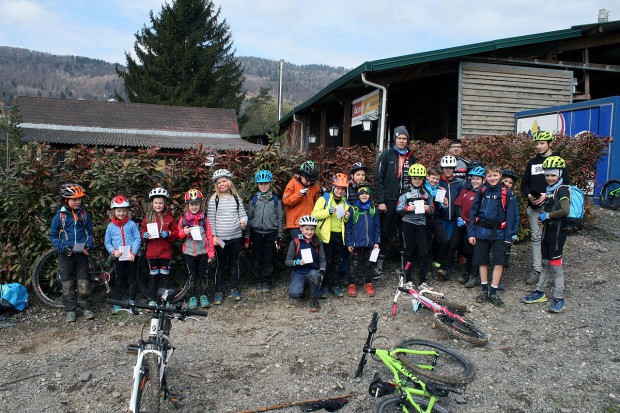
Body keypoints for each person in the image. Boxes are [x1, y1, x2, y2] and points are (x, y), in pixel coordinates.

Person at [521, 131, 570, 285]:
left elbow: (566, 185)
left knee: (552, 240)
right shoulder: (533, 162)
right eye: (536, 143)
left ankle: (552, 274)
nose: (538, 146)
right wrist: (529, 195)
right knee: (536, 239)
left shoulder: (558, 161)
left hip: (553, 210)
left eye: (542, 143)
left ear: (549, 143)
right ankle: (537, 270)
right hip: (535, 208)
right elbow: (524, 183)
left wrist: (546, 195)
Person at [521, 156, 570, 313]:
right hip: (548, 231)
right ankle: (539, 292)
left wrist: (546, 216)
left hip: (557, 233)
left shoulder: (562, 189)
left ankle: (559, 298)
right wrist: (545, 218)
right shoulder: (551, 190)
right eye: (547, 175)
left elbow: (565, 210)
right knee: (544, 263)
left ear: (560, 175)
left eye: (553, 175)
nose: (549, 178)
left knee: (556, 266)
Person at [468, 164, 519, 308]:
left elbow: (512, 216)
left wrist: (510, 236)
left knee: (499, 262)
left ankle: (493, 292)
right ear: (485, 178)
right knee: (482, 261)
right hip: (482, 232)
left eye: (495, 175)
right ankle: (484, 290)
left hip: (500, 234)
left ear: (500, 176)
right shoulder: (482, 191)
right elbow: (473, 213)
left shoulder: (506, 193)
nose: (492, 178)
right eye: (489, 176)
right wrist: (471, 233)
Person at [374, 125, 417, 276]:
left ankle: (405, 267)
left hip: (406, 199)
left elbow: (417, 179)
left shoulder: (411, 156)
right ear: (395, 139)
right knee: (385, 233)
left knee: (405, 232)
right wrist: (381, 200)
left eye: (404, 138)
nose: (402, 141)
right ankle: (378, 265)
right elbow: (378, 179)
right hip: (389, 200)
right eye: (399, 138)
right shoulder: (386, 155)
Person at [49, 183, 95, 322]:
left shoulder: (84, 215)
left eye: (79, 199)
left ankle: (86, 307)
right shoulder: (60, 217)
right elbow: (53, 235)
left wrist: (88, 245)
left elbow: (90, 234)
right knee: (67, 284)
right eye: (74, 199)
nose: (77, 202)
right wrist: (62, 247)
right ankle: (70, 309)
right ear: (66, 201)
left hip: (81, 255)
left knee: (84, 284)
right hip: (66, 255)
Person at [207, 169, 248, 305]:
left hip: (236, 237)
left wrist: (244, 221)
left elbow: (243, 214)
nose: (221, 184)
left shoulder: (236, 198)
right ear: (216, 185)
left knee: (234, 263)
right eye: (219, 183)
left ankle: (234, 288)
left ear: (229, 182)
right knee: (220, 264)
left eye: (224, 181)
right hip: (221, 239)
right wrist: (213, 236)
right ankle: (218, 291)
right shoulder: (214, 199)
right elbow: (211, 220)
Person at [312, 173, 351, 298]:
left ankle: (334, 284)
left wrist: (346, 218)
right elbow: (314, 215)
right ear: (333, 187)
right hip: (325, 236)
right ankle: (323, 286)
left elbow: (343, 221)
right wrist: (327, 212)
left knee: (337, 262)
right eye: (338, 188)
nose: (340, 191)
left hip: (339, 236)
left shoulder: (346, 203)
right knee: (326, 262)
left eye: (342, 189)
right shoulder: (324, 199)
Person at [445, 166, 485, 287]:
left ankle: (470, 274)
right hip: (461, 223)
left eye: (477, 179)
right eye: (473, 179)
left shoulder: (484, 193)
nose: (475, 181)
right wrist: (459, 217)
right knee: (453, 244)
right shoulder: (466, 190)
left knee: (470, 251)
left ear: (483, 180)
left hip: (472, 226)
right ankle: (447, 269)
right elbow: (458, 204)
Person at [245, 170, 283, 293]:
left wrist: (279, 236)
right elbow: (249, 218)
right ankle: (258, 280)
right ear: (257, 185)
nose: (263, 186)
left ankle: (266, 281)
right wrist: (247, 235)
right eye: (261, 184)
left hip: (270, 234)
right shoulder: (254, 200)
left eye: (266, 183)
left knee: (268, 258)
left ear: (270, 184)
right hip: (256, 233)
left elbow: (279, 219)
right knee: (257, 258)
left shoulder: (276, 201)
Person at [396, 164, 434, 287]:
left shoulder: (427, 193)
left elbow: (432, 210)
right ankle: (408, 279)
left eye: (419, 178)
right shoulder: (405, 193)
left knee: (424, 252)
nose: (417, 180)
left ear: (423, 179)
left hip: (421, 225)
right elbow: (398, 209)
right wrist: (407, 208)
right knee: (408, 252)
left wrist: (429, 209)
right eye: (414, 178)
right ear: (410, 179)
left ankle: (422, 280)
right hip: (407, 224)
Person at [178, 189, 215, 309]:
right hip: (189, 252)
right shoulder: (183, 219)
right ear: (187, 205)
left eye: (196, 204)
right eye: (191, 204)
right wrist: (184, 231)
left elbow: (209, 236)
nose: (194, 207)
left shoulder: (204, 219)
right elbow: (179, 234)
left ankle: (203, 295)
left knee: (203, 274)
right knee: (192, 275)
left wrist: (210, 252)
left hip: (202, 252)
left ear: (200, 204)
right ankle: (192, 297)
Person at [141, 187, 178, 306]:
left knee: (165, 277)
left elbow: (176, 234)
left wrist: (169, 234)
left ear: (165, 203)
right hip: (151, 254)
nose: (158, 205)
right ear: (152, 203)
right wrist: (144, 235)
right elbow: (142, 233)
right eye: (156, 203)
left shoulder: (169, 218)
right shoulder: (147, 218)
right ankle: (152, 299)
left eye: (160, 203)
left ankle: (165, 299)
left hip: (165, 254)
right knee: (153, 277)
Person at [105, 195, 141, 314]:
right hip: (119, 257)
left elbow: (137, 238)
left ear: (127, 211)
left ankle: (132, 302)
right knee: (119, 279)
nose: (121, 213)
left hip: (131, 257)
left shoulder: (131, 224)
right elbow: (107, 241)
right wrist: (113, 251)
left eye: (124, 211)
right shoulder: (110, 226)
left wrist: (134, 252)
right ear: (113, 212)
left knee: (132, 279)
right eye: (119, 211)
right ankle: (117, 302)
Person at [345, 185, 380, 297]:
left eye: (366, 193)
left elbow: (377, 227)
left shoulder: (373, 210)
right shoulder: (353, 209)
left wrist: (377, 242)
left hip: (370, 244)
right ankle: (352, 284)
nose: (364, 195)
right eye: (362, 194)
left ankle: (368, 283)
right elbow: (348, 227)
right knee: (354, 264)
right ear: (358, 196)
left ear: (369, 195)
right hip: (356, 244)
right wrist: (349, 243)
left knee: (369, 264)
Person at [285, 215, 326, 312]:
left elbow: (322, 260)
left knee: (315, 275)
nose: (309, 232)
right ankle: (304, 289)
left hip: (312, 271)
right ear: (301, 229)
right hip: (299, 272)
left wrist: (322, 271)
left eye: (312, 229)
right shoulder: (295, 242)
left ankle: (314, 300)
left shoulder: (318, 242)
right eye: (306, 229)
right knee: (295, 294)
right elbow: (287, 261)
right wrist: (297, 262)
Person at [436, 155, 463, 279]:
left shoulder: (458, 183)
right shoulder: (438, 182)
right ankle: (437, 265)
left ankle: (447, 267)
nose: (448, 170)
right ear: (442, 168)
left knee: (451, 243)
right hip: (441, 218)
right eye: (446, 168)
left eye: (451, 168)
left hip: (453, 218)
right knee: (441, 242)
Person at [341, 162, 368, 282]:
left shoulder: (365, 189)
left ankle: (355, 275)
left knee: (358, 250)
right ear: (352, 176)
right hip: (348, 221)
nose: (361, 177)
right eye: (358, 174)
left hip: (360, 223)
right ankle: (344, 274)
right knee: (347, 249)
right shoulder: (347, 188)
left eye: (363, 174)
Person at [283, 161, 321, 239]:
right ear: (301, 175)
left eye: (311, 181)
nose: (309, 183)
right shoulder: (293, 183)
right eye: (307, 180)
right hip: (296, 223)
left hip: (310, 222)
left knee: (309, 248)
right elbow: (286, 201)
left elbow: (318, 204)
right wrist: (299, 194)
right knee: (299, 246)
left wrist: (322, 195)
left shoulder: (315, 187)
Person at [424, 167, 450, 281]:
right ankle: (428, 269)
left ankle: (438, 264)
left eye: (437, 179)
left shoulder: (440, 190)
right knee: (426, 244)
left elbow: (441, 207)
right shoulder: (422, 188)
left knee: (444, 240)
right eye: (433, 178)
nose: (435, 181)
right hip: (424, 218)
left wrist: (444, 203)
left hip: (437, 218)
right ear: (427, 177)